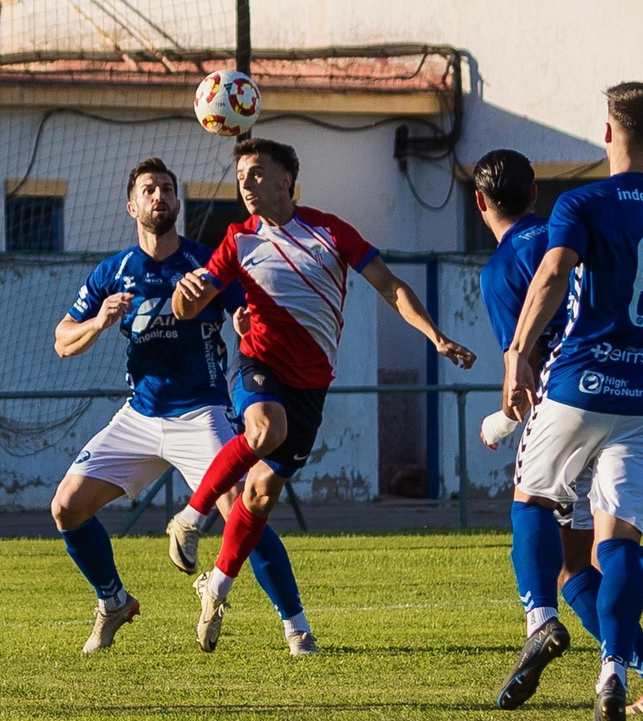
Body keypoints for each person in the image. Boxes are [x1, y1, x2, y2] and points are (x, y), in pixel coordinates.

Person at [173, 137, 477, 652]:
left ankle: (218, 585)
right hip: (259, 363)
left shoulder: (329, 232)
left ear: (287, 179)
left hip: (311, 384)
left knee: (262, 495)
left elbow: (391, 287)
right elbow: (189, 306)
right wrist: (184, 299)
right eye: (240, 174)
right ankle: (189, 516)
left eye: (256, 172)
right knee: (265, 430)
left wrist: (436, 336)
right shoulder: (237, 238)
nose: (244, 183)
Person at [471, 148, 643, 717]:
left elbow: (527, 363)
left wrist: (508, 390)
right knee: (599, 553)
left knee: (560, 547)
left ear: (480, 204)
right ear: (534, 195)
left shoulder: (502, 270)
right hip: (641, 398)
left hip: (570, 400)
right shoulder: (577, 226)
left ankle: (545, 621)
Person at [51, 158, 317, 655]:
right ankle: (113, 602)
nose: (160, 197)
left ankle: (296, 626)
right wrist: (98, 322)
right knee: (66, 506)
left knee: (244, 509)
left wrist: (241, 320)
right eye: (149, 190)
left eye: (168, 190)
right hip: (141, 414)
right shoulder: (114, 272)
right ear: (132, 205)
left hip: (202, 412)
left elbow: (247, 311)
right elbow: (63, 340)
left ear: (178, 203)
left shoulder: (207, 262)